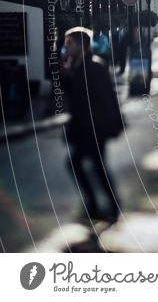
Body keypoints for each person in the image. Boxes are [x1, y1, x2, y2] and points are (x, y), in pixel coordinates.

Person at [60, 27, 124, 221]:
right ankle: (101, 206)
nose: (65, 48)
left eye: (69, 44)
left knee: (82, 164)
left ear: (81, 46)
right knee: (90, 165)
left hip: (94, 128)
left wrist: (111, 124)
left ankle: (102, 206)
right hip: (87, 128)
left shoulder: (93, 67)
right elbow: (75, 98)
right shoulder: (80, 67)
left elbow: (106, 98)